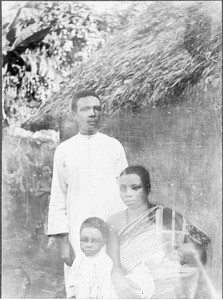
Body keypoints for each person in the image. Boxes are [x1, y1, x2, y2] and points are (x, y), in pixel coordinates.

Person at [47, 90, 128, 297]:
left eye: (97, 108)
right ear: (74, 114)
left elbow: (126, 190)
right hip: (79, 234)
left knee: (111, 287)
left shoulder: (114, 146)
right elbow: (58, 197)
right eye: (85, 109)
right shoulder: (64, 150)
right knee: (81, 288)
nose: (92, 113)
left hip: (111, 231)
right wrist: (63, 241)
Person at [107, 165, 210, 299]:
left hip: (167, 287)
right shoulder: (112, 222)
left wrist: (180, 271)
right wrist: (117, 279)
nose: (128, 194)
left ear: (147, 188)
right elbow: (112, 265)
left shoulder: (168, 216)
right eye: (122, 189)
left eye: (135, 187)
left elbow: (196, 254)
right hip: (130, 285)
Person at [67, 217, 114, 298]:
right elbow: (71, 278)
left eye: (94, 241)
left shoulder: (105, 262)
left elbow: (104, 289)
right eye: (84, 240)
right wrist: (72, 295)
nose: (88, 245)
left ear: (103, 242)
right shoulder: (79, 259)